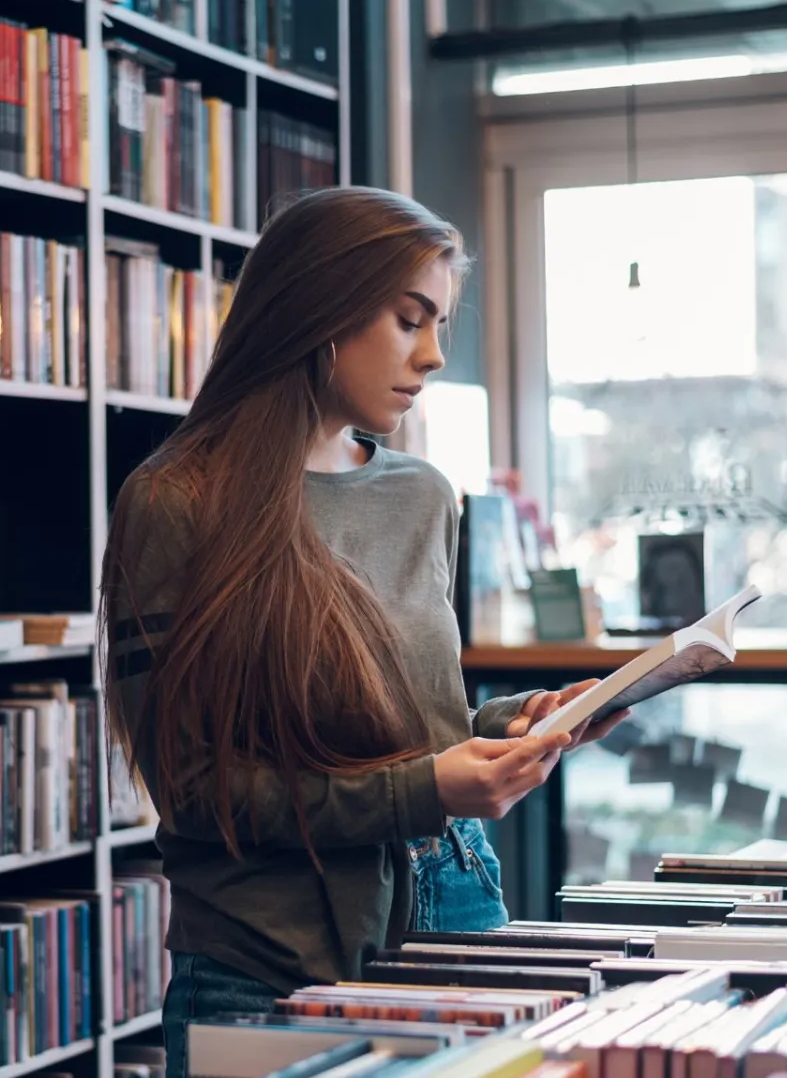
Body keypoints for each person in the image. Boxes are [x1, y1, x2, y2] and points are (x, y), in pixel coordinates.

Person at [98, 187, 628, 1078]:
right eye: (408, 319)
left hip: (457, 919)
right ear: (319, 309)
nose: (433, 354)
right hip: (271, 963)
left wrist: (514, 728)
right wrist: (426, 788)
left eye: (440, 323)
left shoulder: (422, 496)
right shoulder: (178, 502)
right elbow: (198, 793)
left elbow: (417, 732)